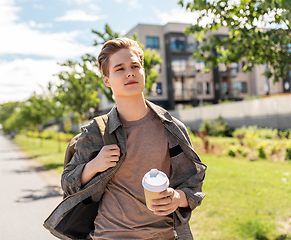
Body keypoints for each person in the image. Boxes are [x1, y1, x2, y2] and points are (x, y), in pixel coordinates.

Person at [61, 37, 206, 240]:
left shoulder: (172, 128)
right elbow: (68, 182)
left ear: (143, 72)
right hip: (109, 235)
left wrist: (178, 198)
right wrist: (94, 165)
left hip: (163, 236)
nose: (129, 72)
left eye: (135, 66)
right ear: (107, 80)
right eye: (119, 68)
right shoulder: (97, 130)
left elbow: (193, 182)